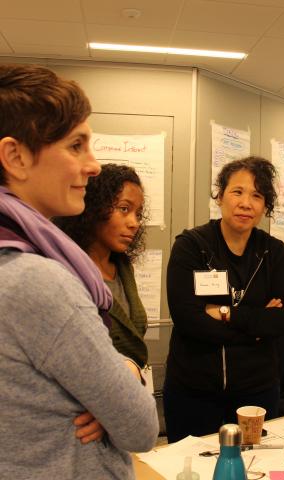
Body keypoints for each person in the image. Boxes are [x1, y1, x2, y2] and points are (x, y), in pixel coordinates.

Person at [0, 64, 158, 479]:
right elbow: (141, 426)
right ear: (15, 157)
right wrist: (126, 370)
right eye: (76, 146)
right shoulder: (37, 281)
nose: (93, 165)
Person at [164, 156, 284, 442]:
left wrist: (226, 313)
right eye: (237, 191)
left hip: (257, 391)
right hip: (193, 390)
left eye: (257, 195)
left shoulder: (275, 254)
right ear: (220, 196)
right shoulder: (191, 246)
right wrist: (257, 329)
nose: (246, 203)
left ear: (265, 206)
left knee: (256, 468)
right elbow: (188, 319)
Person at [55, 163, 149, 367]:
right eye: (124, 209)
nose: (134, 222)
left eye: (138, 213)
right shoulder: (67, 271)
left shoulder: (123, 267)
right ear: (95, 207)